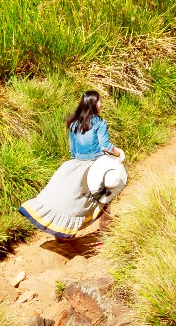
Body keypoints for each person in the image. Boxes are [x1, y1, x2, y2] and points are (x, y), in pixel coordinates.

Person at [18, 90, 127, 240]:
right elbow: (106, 146)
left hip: (75, 164)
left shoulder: (74, 124)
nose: (101, 104)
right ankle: (105, 233)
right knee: (106, 197)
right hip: (94, 163)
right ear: (93, 104)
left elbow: (73, 151)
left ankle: (61, 233)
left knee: (67, 199)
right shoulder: (100, 123)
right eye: (99, 101)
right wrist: (119, 151)